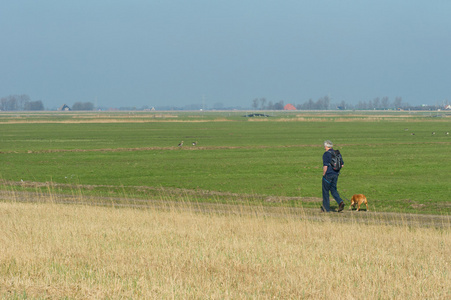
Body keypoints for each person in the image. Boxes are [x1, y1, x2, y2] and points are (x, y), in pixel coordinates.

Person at [321, 140, 345, 212]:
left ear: (326, 146)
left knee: (325, 191)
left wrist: (324, 174)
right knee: (333, 189)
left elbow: (325, 166)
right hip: (336, 174)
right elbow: (342, 165)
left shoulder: (326, 154)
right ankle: (340, 202)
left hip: (328, 175)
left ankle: (326, 209)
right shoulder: (337, 153)